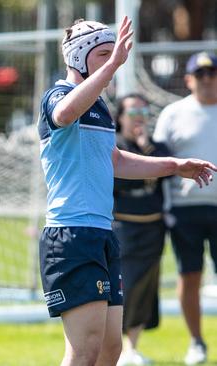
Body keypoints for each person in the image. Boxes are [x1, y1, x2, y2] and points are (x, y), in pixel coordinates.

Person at [38, 17, 216, 366]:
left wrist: (173, 166)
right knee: (84, 350)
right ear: (77, 58)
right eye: (102, 54)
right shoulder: (57, 95)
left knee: (110, 350)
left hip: (102, 233)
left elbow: (115, 160)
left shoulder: (100, 106)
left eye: (113, 54)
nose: (111, 61)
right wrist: (114, 64)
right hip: (71, 234)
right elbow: (64, 113)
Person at [152, 51, 217, 365]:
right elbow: (158, 163)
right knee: (189, 275)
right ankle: (197, 342)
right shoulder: (172, 114)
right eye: (200, 74)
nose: (207, 80)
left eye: (212, 73)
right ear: (189, 79)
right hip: (184, 210)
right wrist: (163, 208)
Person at [111, 94, 169, 366]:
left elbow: (165, 172)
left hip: (153, 228)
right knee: (124, 285)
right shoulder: (113, 146)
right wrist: (144, 166)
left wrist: (146, 149)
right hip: (122, 227)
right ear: (120, 116)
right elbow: (119, 181)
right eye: (132, 110)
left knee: (145, 289)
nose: (138, 116)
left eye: (143, 110)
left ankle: (132, 348)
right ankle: (119, 349)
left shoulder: (156, 147)